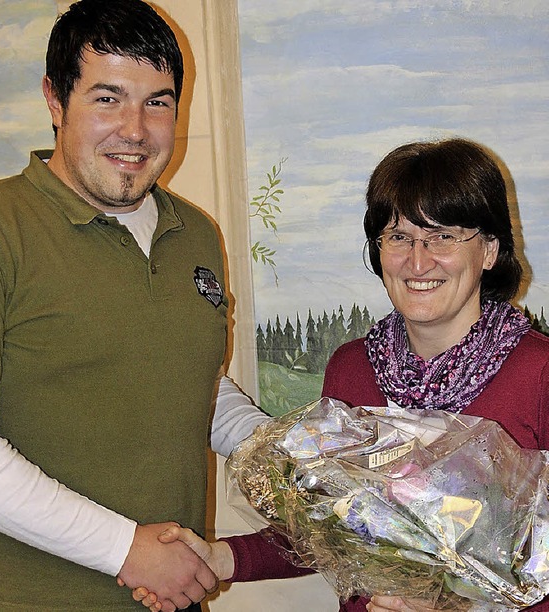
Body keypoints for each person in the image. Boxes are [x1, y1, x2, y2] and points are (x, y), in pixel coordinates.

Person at [0, 1, 267, 611]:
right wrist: (127, 549)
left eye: (157, 101)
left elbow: (190, 381)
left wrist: (282, 451)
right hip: (23, 599)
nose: (135, 129)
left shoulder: (197, 234)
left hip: (167, 595)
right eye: (107, 98)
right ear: (54, 100)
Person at [131, 137, 549, 612]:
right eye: (398, 237)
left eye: (444, 236)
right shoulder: (353, 370)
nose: (418, 260)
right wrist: (219, 558)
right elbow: (326, 526)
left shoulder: (539, 375)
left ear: (490, 249)